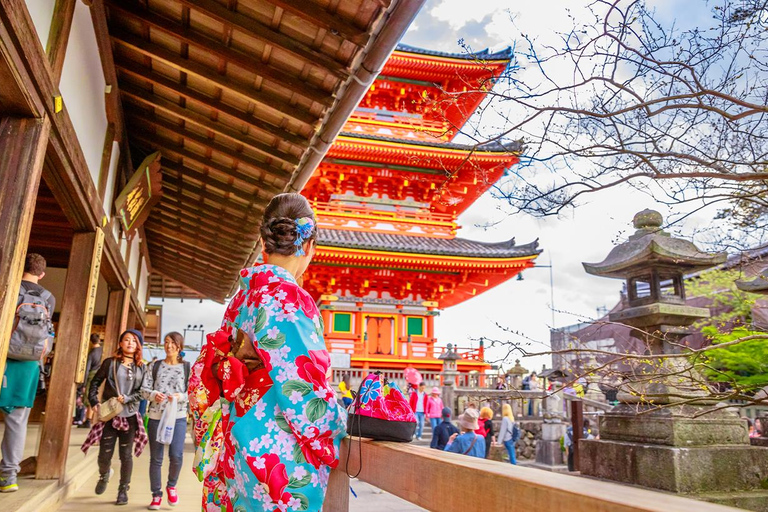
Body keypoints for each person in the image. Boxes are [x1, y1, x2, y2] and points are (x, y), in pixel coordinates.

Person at [188, 193, 347, 512]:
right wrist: (342, 423)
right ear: (309, 244)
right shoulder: (289, 300)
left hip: (239, 439)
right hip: (276, 453)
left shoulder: (241, 299)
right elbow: (301, 391)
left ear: (264, 242)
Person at [0, 254, 55, 493]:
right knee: (18, 421)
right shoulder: (48, 298)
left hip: (3, 355)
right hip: (30, 364)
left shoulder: (9, 284)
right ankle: (8, 477)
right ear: (42, 274)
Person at [84, 329, 147, 505]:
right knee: (104, 455)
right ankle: (104, 474)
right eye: (126, 340)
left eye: (134, 341)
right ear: (120, 343)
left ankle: (123, 490)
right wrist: (94, 401)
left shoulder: (142, 367)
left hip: (130, 416)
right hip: (111, 415)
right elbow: (95, 382)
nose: (130, 344)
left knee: (126, 455)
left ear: (138, 346)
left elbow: (143, 392)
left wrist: (128, 399)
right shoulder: (109, 363)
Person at [141, 332, 190, 510]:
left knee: (176, 456)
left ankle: (171, 485)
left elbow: (193, 392)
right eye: (167, 342)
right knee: (156, 458)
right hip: (155, 417)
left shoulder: (187, 368)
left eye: (173, 343)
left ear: (179, 347)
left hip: (177, 418)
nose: (169, 346)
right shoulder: (154, 366)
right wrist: (154, 395)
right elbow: (143, 390)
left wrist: (181, 396)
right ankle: (156, 495)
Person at [79, 334, 103, 429]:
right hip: (102, 374)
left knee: (90, 396)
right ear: (99, 340)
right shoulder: (103, 350)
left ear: (90, 341)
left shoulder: (91, 353)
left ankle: (88, 420)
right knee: (97, 395)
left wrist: (83, 384)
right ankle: (92, 419)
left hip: (92, 375)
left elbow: (87, 369)